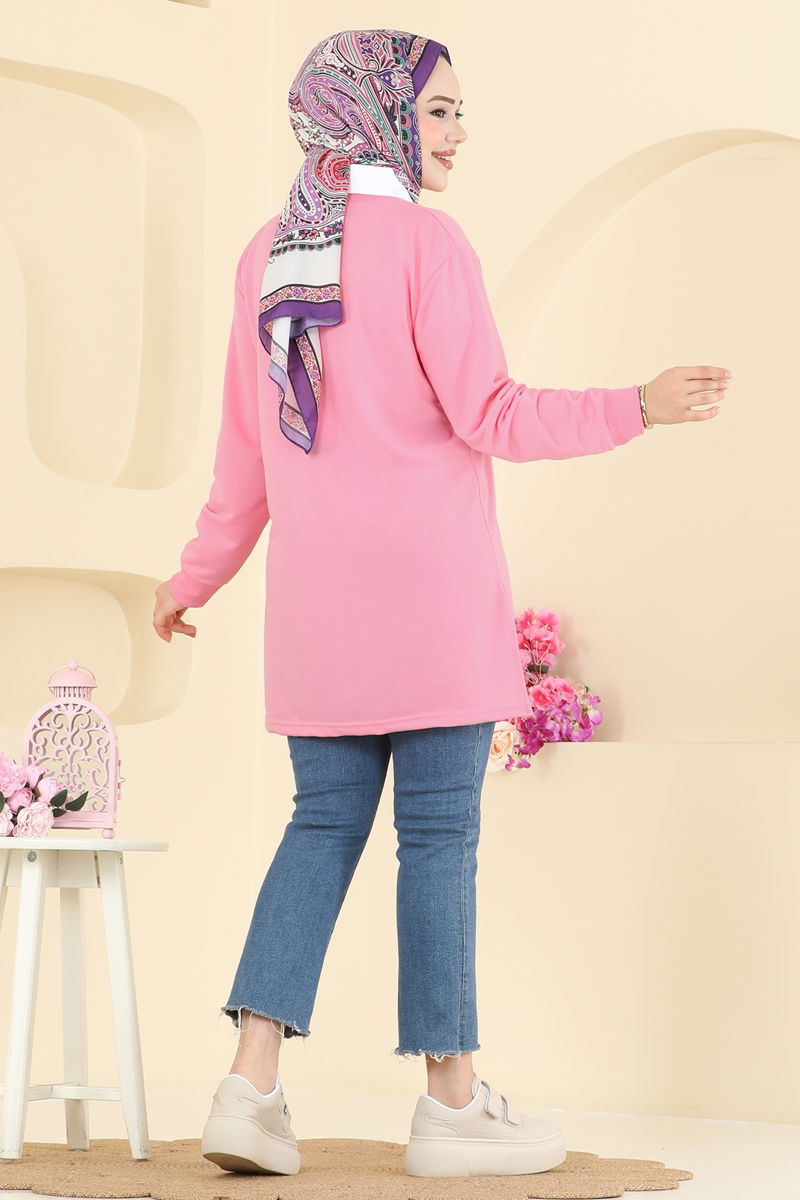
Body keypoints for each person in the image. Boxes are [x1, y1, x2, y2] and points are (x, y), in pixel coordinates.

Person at [152, 27, 732, 1180]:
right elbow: (492, 415)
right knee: (436, 842)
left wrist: (192, 578)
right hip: (433, 603)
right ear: (373, 112)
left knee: (319, 828)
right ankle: (452, 1107)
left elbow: (246, 457)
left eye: (460, 111)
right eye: (438, 111)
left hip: (316, 617)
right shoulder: (428, 244)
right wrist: (639, 404)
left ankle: (247, 1087)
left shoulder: (268, 254)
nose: (459, 132)